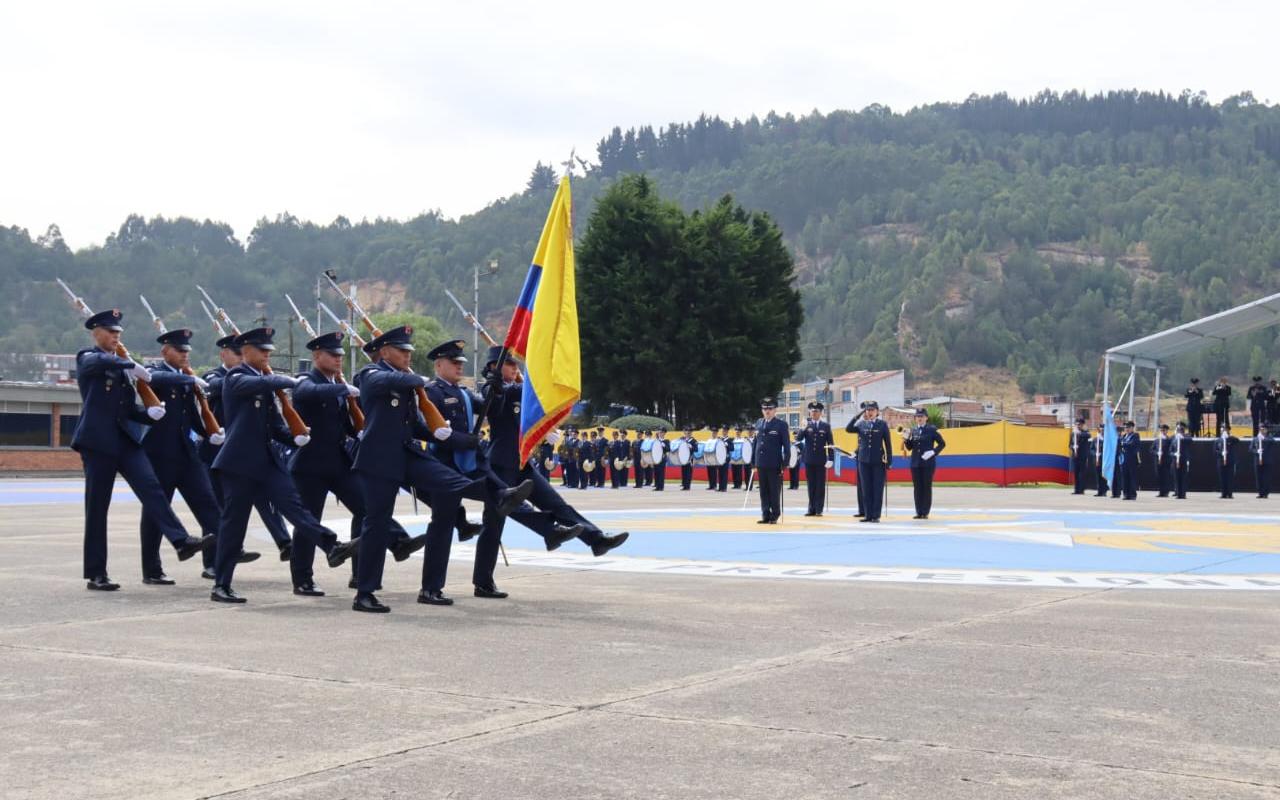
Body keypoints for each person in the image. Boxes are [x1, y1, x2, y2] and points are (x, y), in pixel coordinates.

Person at [351, 328, 530, 613]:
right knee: (377, 522)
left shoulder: (408, 384)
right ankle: (365, 593)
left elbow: (420, 426)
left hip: (407, 452)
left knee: (450, 480)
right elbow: (395, 379)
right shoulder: (370, 375)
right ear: (384, 352)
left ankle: (499, 493)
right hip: (378, 460)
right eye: (402, 350)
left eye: (410, 350)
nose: (409, 354)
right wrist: (418, 381)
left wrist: (460, 439)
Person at [209, 327, 358, 604]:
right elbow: (254, 386)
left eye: (268, 351)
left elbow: (274, 426)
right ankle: (221, 584)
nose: (267, 355)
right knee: (234, 524)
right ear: (246, 351)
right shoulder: (237, 377)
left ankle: (331, 545)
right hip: (238, 464)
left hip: (267, 462)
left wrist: (296, 437)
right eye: (262, 350)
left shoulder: (265, 383)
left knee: (296, 508)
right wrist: (285, 381)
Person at [72, 308, 211, 591]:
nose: (115, 337)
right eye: (111, 332)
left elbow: (126, 408)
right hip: (97, 443)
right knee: (97, 509)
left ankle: (180, 540)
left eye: (118, 333)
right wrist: (128, 363)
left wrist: (150, 414)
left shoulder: (119, 367)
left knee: (152, 489)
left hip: (125, 440)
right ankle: (96, 573)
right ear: (95, 333)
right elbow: (95, 363)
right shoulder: (87, 357)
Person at [288, 331, 426, 597]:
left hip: (339, 461)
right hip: (310, 465)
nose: (339, 359)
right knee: (308, 523)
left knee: (367, 507)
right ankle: (302, 578)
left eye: (341, 355)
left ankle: (377, 558)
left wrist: (360, 431)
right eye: (333, 354)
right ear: (317, 356)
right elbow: (305, 392)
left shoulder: (338, 382)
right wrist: (343, 388)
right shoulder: (310, 379)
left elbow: (346, 423)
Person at [480, 346, 628, 560]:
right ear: (495, 366)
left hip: (523, 463)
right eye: (510, 363)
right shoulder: (492, 389)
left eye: (516, 363)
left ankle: (596, 539)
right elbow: (494, 399)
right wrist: (511, 384)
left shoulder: (518, 389)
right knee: (493, 527)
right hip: (500, 464)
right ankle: (484, 581)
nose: (515, 367)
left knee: (557, 505)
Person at [137, 327, 248, 585]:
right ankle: (151, 570)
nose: (185, 355)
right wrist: (188, 380)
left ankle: (225, 555)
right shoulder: (156, 372)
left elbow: (192, 416)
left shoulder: (186, 378)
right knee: (156, 512)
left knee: (208, 503)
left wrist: (211, 432)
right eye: (180, 350)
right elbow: (154, 380)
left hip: (186, 454)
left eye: (187, 351)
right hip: (159, 453)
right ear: (165, 351)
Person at [202, 334, 293, 569]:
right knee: (221, 508)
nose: (242, 358)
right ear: (224, 354)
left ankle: (284, 542)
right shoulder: (219, 376)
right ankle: (213, 562)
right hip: (219, 451)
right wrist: (269, 379)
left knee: (266, 500)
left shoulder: (256, 377)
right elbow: (218, 386)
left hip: (249, 451)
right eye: (238, 354)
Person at [846, 401, 891, 522]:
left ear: (877, 412)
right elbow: (848, 428)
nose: (869, 412)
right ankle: (868, 514)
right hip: (863, 461)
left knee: (877, 488)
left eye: (872, 410)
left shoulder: (882, 425)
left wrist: (889, 461)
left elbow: (888, 444)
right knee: (866, 489)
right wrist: (858, 415)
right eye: (867, 410)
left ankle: (876, 515)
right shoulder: (861, 424)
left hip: (878, 461)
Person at [903, 408, 946, 519]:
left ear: (926, 418)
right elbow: (909, 447)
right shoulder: (913, 430)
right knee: (917, 488)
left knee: (926, 487)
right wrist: (906, 439)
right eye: (918, 416)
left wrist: (933, 452)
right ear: (915, 418)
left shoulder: (932, 429)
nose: (920, 418)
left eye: (922, 416)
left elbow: (942, 444)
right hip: (915, 463)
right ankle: (918, 511)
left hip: (928, 464)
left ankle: (925, 512)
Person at [752, 398, 789, 523]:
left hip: (774, 463)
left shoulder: (781, 425)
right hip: (761, 462)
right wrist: (753, 461)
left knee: (774, 490)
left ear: (775, 410)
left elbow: (786, 446)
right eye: (764, 408)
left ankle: (775, 514)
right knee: (764, 491)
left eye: (770, 408)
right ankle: (765, 514)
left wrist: (785, 463)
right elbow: (755, 443)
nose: (767, 411)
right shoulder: (759, 423)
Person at [795, 401, 834, 516]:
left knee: (820, 485)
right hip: (809, 459)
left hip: (821, 460)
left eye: (816, 411)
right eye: (812, 411)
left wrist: (831, 459)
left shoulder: (825, 426)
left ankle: (818, 509)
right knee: (811, 485)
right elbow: (798, 439)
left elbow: (830, 444)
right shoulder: (806, 425)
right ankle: (811, 508)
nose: (814, 413)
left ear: (821, 413)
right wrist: (802, 428)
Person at [1250, 421, 1275, 499]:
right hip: (1258, 461)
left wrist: (1263, 439)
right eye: (1261, 429)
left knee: (1266, 477)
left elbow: (1272, 442)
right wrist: (1256, 451)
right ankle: (1260, 492)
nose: (1262, 430)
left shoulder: (1269, 437)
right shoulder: (1255, 439)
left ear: (1266, 430)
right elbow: (1251, 448)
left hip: (1267, 461)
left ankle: (1265, 493)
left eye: (1263, 429)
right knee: (1259, 477)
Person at [1118, 420, 1140, 500]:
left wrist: (1123, 444)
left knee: (1132, 477)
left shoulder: (1135, 435)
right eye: (1125, 427)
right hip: (1123, 460)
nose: (1126, 429)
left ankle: (1132, 494)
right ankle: (1125, 494)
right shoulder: (1123, 436)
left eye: (1128, 427)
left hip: (1132, 460)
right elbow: (1118, 444)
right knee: (1124, 477)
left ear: (1132, 428)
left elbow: (1132, 444)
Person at [1215, 424, 1239, 498]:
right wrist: (1221, 452)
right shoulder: (1218, 440)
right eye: (1222, 429)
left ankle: (1230, 493)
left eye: (1225, 429)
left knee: (1230, 478)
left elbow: (1237, 440)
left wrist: (1229, 437)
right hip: (1221, 462)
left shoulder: (1231, 439)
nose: (1223, 430)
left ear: (1228, 430)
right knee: (1222, 478)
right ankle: (1223, 493)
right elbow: (1215, 451)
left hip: (1230, 461)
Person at [1069, 417, 1091, 495]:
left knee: (1082, 473)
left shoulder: (1086, 433)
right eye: (1077, 424)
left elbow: (1087, 436)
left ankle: (1081, 489)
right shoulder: (1073, 433)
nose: (1078, 426)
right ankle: (1076, 489)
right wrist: (1073, 448)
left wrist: (1079, 433)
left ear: (1083, 425)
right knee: (1076, 473)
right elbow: (1070, 444)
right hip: (1075, 456)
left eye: (1080, 424)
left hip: (1082, 456)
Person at [1152, 424, 1174, 498]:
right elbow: (1151, 449)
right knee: (1159, 476)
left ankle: (1166, 492)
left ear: (1167, 431)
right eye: (1161, 430)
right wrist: (1157, 452)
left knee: (1166, 477)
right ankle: (1161, 492)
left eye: (1164, 430)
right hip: (1158, 461)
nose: (1162, 432)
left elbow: (1171, 449)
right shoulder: (1157, 440)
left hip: (1166, 461)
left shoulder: (1169, 440)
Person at [1172, 422, 1192, 499]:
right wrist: (1174, 454)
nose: (1178, 432)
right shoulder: (1174, 440)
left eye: (1179, 431)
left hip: (1183, 460)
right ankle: (1178, 493)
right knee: (1177, 477)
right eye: (1177, 430)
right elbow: (1171, 450)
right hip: (1175, 461)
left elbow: (1190, 440)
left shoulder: (1186, 437)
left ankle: (1183, 494)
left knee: (1183, 477)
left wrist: (1182, 437)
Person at [1093, 422, 1109, 498]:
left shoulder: (1107, 439)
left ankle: (1104, 491)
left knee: (1104, 476)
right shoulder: (1096, 439)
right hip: (1097, 460)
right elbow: (1091, 449)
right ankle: (1099, 491)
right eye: (1100, 429)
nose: (1101, 431)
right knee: (1098, 476)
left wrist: (1102, 453)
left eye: (1103, 430)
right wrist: (1095, 454)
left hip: (1104, 460)